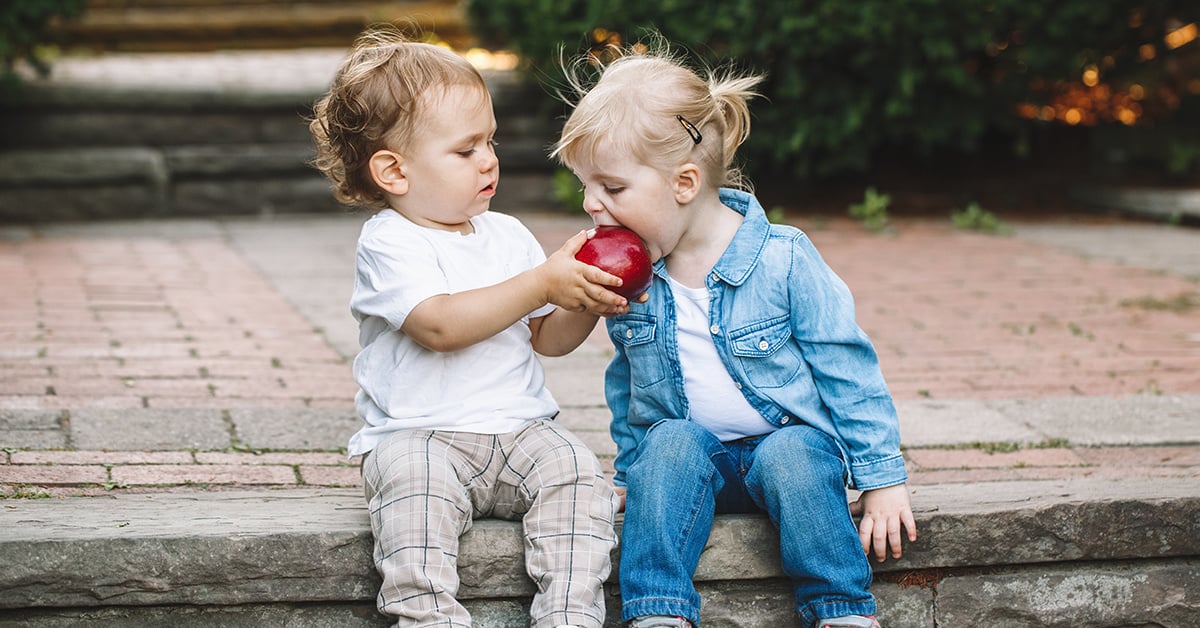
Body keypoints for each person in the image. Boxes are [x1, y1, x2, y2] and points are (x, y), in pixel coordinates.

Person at [551, 40, 918, 628]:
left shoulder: (784, 259)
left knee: (797, 453)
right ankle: (657, 611)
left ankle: (842, 609)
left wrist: (882, 480)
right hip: (697, 462)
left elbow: (848, 370)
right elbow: (629, 383)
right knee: (666, 444)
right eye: (585, 187)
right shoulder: (638, 275)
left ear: (684, 182)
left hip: (785, 450)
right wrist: (629, 475)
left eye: (612, 188)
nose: (593, 205)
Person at [309, 27, 631, 628]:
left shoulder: (506, 234)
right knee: (413, 497)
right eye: (465, 150)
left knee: (580, 475)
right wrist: (540, 284)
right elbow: (438, 325)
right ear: (394, 172)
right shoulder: (390, 242)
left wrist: (583, 298)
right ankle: (429, 616)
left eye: (490, 140)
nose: (489, 159)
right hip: (420, 436)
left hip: (520, 431)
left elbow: (547, 339)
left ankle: (569, 614)